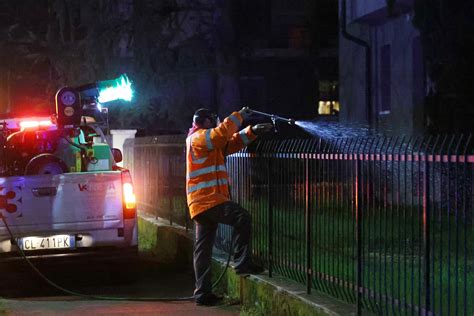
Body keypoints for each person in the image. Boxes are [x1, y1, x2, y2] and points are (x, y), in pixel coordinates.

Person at [186, 107, 273, 306]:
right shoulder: (199, 138)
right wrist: (238, 116)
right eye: (213, 120)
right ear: (206, 122)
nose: (216, 122)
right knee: (243, 218)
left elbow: (231, 143)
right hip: (209, 200)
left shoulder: (207, 141)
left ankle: (203, 294)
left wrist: (252, 131)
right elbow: (220, 135)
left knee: (203, 250)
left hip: (202, 203)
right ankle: (242, 263)